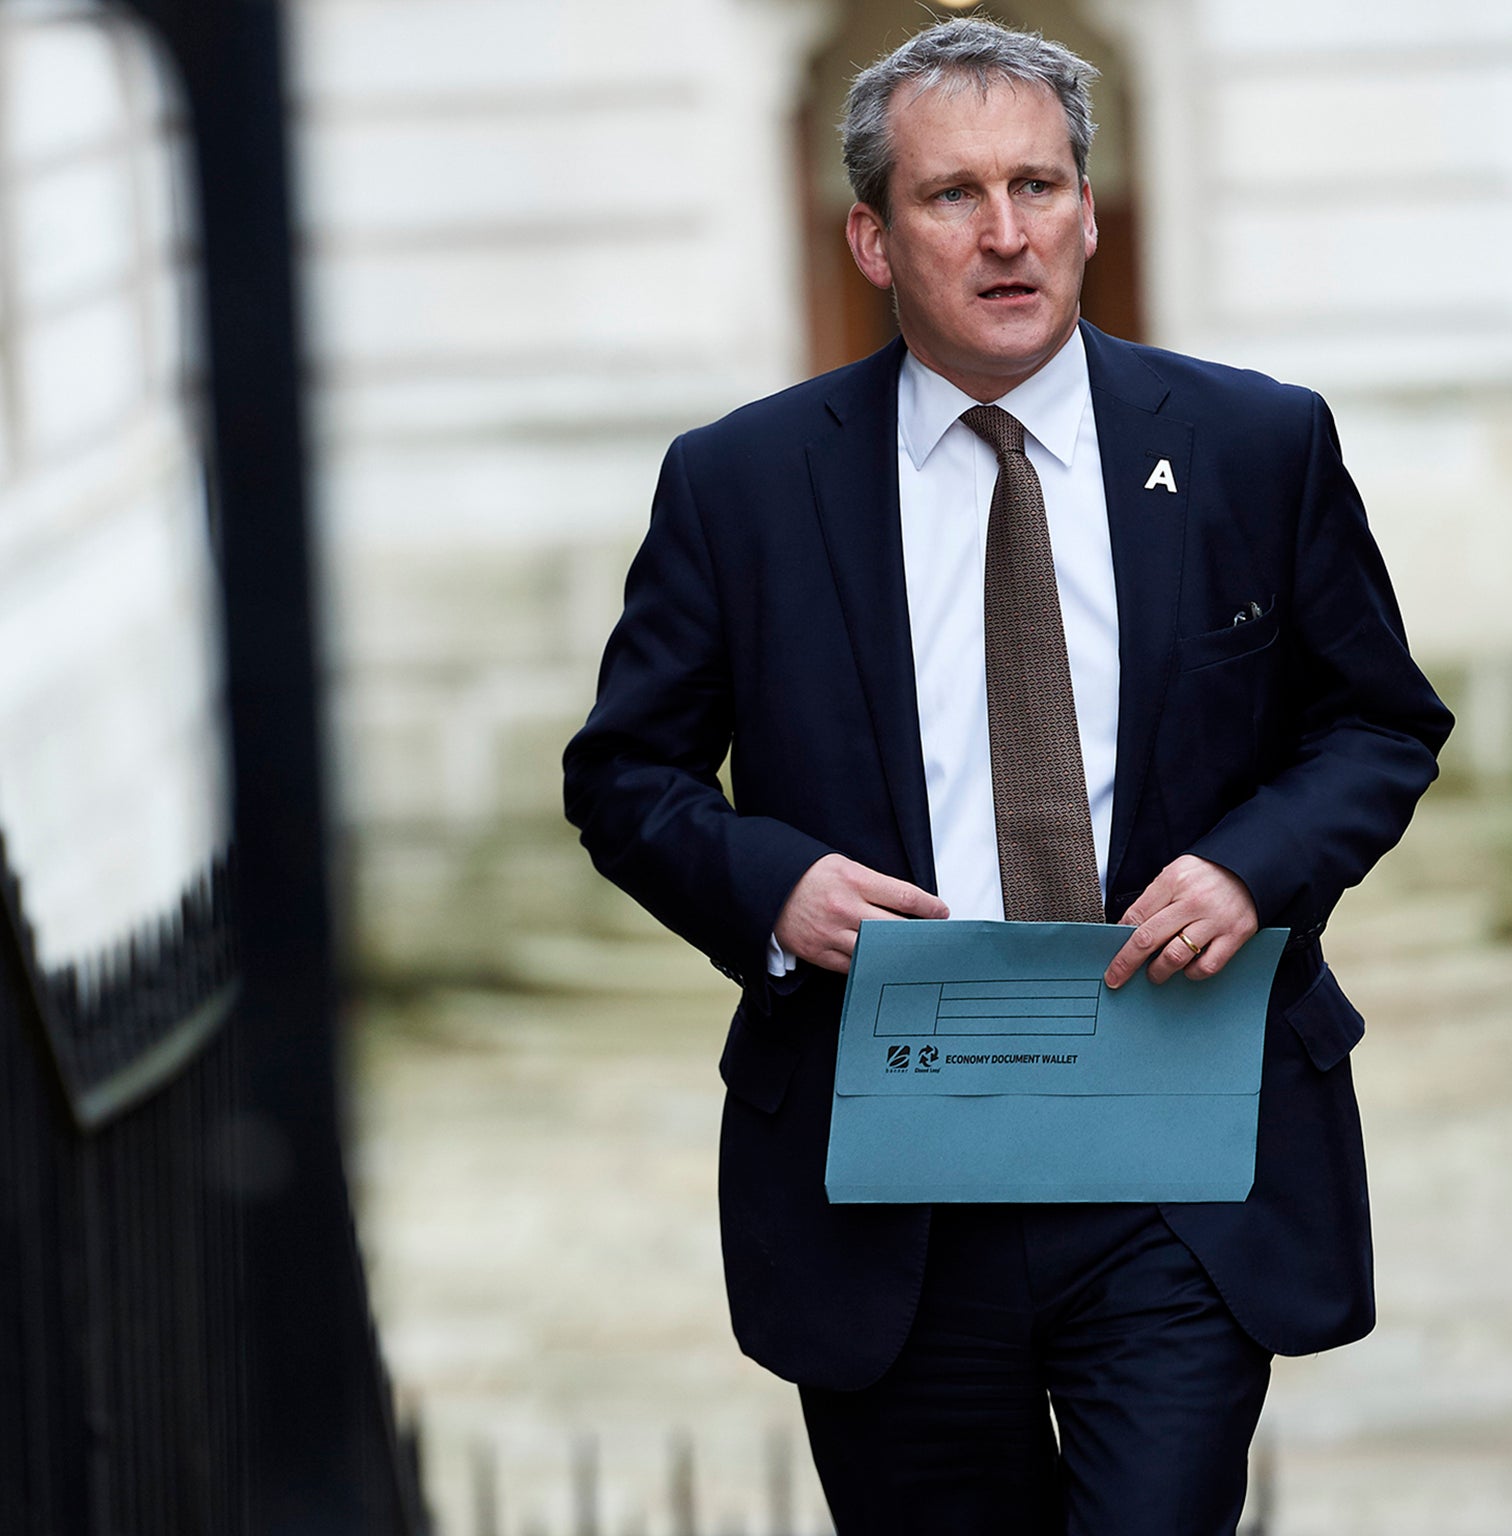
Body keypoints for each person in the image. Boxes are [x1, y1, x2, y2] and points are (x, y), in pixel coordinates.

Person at [563, 16, 1452, 1534]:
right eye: (951, 196)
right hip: (895, 1164)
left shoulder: (1253, 446)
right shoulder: (743, 484)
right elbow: (625, 774)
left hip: (1178, 1154)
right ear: (868, 233)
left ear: (1092, 210)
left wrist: (1252, 862)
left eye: (1038, 186)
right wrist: (777, 887)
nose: (1005, 234)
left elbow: (1377, 725)